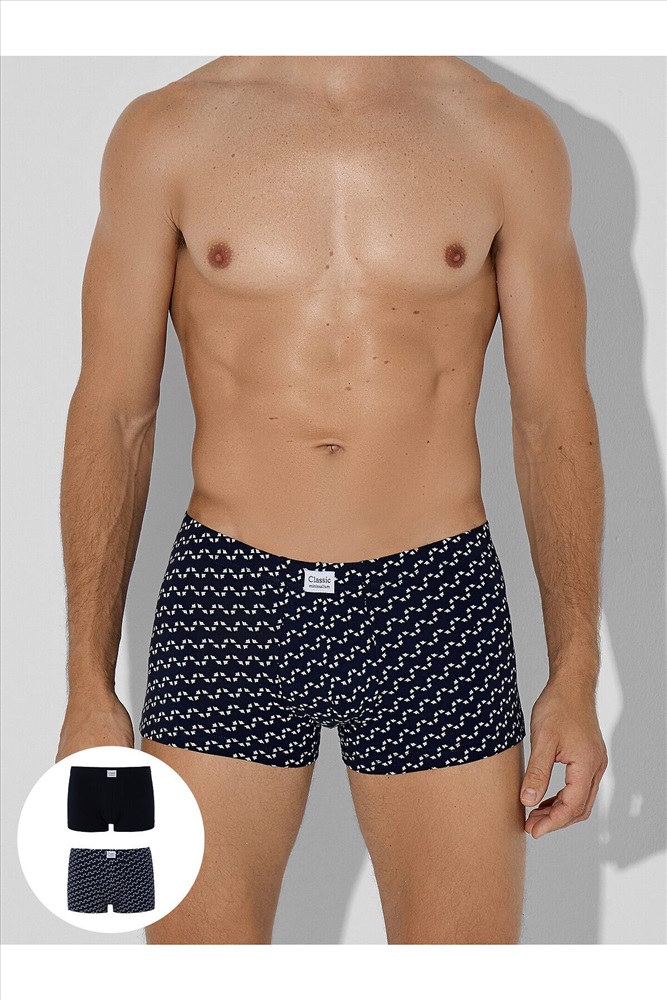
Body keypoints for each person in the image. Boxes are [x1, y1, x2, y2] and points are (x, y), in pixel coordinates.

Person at [55, 56, 608, 945]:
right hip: (230, 599)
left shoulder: (504, 134)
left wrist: (574, 673)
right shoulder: (167, 131)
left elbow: (552, 419)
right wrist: (87, 684)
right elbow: (114, 414)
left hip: (433, 598)